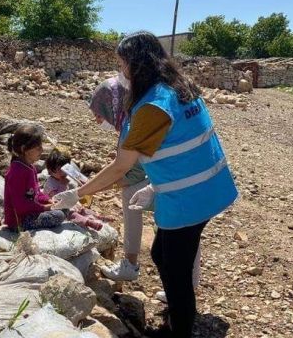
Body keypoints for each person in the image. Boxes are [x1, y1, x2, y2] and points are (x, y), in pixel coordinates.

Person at [54, 31, 238, 337]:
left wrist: (78, 193)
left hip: (189, 200)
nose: (121, 71)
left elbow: (121, 167)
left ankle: (178, 328)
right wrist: (154, 185)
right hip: (208, 189)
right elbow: (182, 143)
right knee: (160, 254)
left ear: (136, 64)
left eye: (122, 63)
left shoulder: (152, 106)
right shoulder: (178, 88)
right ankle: (177, 316)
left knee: (177, 274)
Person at [88, 77, 150, 280]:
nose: (97, 120)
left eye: (98, 113)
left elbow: (133, 173)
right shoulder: (130, 120)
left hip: (173, 184)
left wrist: (90, 189)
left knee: (131, 194)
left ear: (111, 106)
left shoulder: (131, 126)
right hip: (185, 181)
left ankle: (130, 265)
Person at [3, 124, 65, 231]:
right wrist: (45, 208)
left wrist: (49, 200)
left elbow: (36, 193)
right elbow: (20, 205)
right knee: (59, 215)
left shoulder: (30, 167)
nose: (41, 150)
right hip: (19, 220)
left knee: (63, 207)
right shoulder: (17, 172)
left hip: (30, 212)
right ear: (24, 149)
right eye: (38, 148)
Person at [41, 147, 108, 231]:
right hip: (57, 205)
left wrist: (82, 183)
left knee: (83, 209)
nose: (63, 172)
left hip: (68, 202)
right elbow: (56, 199)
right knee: (71, 213)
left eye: (65, 169)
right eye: (58, 170)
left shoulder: (67, 179)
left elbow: (74, 192)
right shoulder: (50, 182)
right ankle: (87, 222)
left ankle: (98, 216)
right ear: (50, 171)